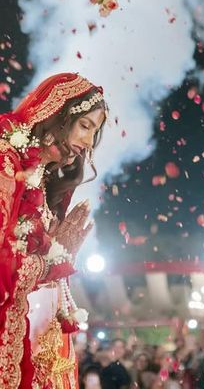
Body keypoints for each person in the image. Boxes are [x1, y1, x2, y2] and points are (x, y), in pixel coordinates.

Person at [0, 72, 107, 388]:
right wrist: (49, 261)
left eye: (95, 131)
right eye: (85, 126)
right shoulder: (7, 162)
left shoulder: (44, 181)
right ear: (56, 114)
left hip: (43, 342)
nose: (88, 143)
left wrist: (58, 251)